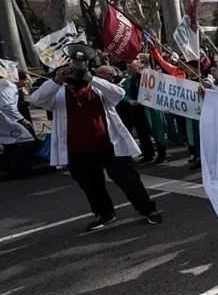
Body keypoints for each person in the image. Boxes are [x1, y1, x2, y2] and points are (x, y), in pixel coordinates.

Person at [28, 45, 162, 231]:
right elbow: (35, 100)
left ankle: (147, 209)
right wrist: (57, 80)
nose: (76, 76)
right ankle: (104, 213)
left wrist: (92, 79)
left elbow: (119, 93)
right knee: (90, 184)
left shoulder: (98, 89)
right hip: (77, 149)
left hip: (108, 144)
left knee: (127, 178)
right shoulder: (58, 94)